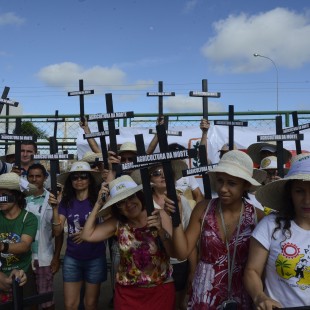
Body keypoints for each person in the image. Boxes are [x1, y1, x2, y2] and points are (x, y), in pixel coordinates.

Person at [168, 150, 265, 309]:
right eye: (220, 181)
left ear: (245, 185)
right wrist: (176, 219)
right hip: (204, 293)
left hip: (241, 294)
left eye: (232, 183)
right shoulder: (203, 209)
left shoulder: (257, 217)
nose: (223, 188)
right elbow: (182, 253)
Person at [81, 175, 176, 310]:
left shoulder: (159, 216)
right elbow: (87, 235)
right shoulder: (118, 223)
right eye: (121, 202)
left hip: (160, 290)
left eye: (131, 197)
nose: (128, 204)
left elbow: (175, 252)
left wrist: (161, 231)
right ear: (117, 208)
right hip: (127, 294)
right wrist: (98, 204)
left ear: (139, 196)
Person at [244, 153, 310, 309]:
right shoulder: (270, 225)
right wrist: (260, 296)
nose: (307, 200)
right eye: (299, 191)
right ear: (290, 193)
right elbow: (252, 270)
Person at [48, 161, 106, 310]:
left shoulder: (99, 200)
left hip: (95, 257)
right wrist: (55, 209)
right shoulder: (66, 202)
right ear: (70, 181)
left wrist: (88, 233)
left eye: (84, 176)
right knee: (70, 305)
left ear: (90, 179)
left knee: (90, 304)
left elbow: (111, 223)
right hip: (72, 258)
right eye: (75, 177)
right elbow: (57, 231)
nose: (79, 180)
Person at [147, 163, 197, 310]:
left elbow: (190, 239)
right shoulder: (142, 203)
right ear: (149, 178)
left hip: (179, 263)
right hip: (152, 265)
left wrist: (193, 270)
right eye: (156, 173)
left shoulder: (183, 201)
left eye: (166, 173)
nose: (162, 176)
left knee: (176, 304)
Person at [26, 163, 63, 310]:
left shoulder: (52, 200)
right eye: (31, 176)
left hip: (44, 258)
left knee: (46, 301)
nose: (34, 179)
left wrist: (56, 257)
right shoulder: (22, 199)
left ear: (45, 178)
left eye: (38, 176)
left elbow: (59, 233)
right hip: (25, 259)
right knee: (29, 300)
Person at [0, 172, 38, 304]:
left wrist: (3, 246)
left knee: (28, 304)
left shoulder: (29, 218)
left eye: (4, 195)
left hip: (24, 271)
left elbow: (24, 246)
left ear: (16, 196)